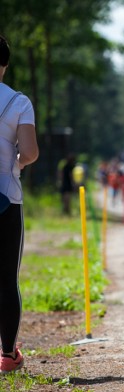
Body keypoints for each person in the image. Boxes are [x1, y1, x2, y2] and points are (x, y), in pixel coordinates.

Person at [0, 35, 39, 374]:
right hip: (5, 196)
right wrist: (17, 162)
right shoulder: (18, 102)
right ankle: (8, 355)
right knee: (5, 278)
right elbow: (29, 152)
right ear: (5, 65)